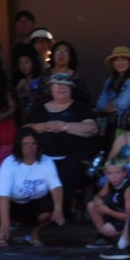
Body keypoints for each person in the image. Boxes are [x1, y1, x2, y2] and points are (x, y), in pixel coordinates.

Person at [23, 73, 99, 213]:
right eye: (57, 84)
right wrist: (44, 126)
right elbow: (26, 129)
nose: (61, 87)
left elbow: (92, 129)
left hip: (72, 157)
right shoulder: (40, 108)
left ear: (71, 89)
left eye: (65, 85)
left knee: (69, 174)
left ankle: (60, 209)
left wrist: (64, 126)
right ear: (51, 88)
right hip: (43, 157)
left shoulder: (80, 107)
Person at [0, 127, 65, 247]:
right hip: (11, 201)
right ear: (19, 146)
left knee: (49, 213)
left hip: (33, 201)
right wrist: (5, 224)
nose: (30, 147)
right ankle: (3, 229)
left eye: (33, 144)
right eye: (26, 144)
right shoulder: (9, 163)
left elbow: (56, 186)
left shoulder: (46, 161)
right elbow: (4, 196)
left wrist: (58, 208)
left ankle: (36, 232)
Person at [85, 158, 130, 249]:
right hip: (116, 213)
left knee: (107, 229)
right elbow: (98, 196)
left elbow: (129, 216)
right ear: (106, 174)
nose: (114, 176)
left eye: (118, 173)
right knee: (91, 205)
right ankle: (104, 238)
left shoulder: (129, 189)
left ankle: (123, 238)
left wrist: (107, 211)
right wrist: (98, 199)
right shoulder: (109, 183)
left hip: (128, 221)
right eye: (110, 173)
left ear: (125, 173)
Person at [33, 40, 92, 108]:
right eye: (58, 51)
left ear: (70, 57)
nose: (61, 54)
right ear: (53, 55)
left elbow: (85, 99)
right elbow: (38, 97)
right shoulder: (46, 74)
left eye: (65, 52)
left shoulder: (77, 77)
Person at [96, 46, 130, 127]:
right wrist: (106, 107)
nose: (120, 63)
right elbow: (100, 103)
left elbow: (123, 104)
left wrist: (111, 104)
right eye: (117, 60)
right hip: (113, 123)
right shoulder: (110, 80)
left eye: (124, 59)